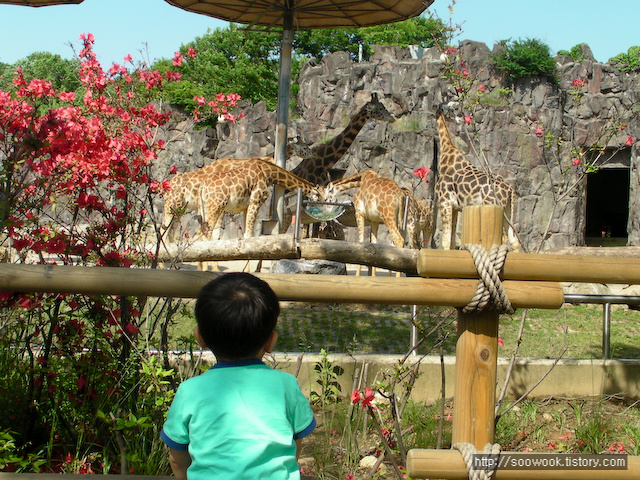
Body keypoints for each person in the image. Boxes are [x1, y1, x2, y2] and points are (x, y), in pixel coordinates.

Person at [161, 272, 316, 480]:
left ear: (200, 338)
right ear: (271, 341)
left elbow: (177, 458)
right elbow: (294, 446)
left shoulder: (190, 391)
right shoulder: (286, 385)